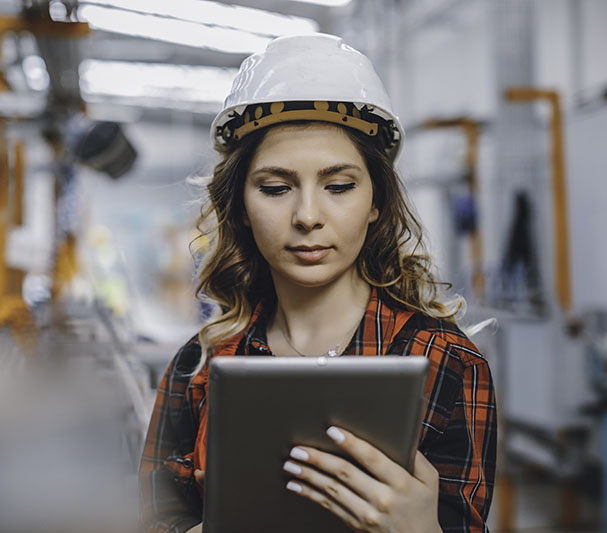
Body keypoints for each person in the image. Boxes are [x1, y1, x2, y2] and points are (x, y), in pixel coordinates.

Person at [139, 33, 496, 533]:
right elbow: (157, 518)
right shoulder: (197, 368)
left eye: (339, 186)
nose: (308, 216)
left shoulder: (446, 362)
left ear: (376, 202)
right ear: (241, 205)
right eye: (276, 188)